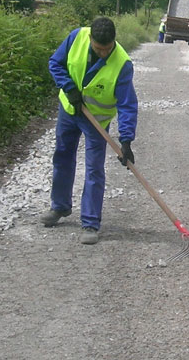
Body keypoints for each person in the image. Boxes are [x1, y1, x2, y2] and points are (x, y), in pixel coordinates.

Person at [41, 16, 138, 245]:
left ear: (114, 41)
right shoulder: (76, 37)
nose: (103, 53)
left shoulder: (122, 64)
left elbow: (127, 105)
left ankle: (91, 222)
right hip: (69, 110)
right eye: (98, 49)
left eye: (107, 49)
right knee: (62, 157)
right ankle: (60, 207)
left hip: (97, 122)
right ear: (91, 40)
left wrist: (126, 141)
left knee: (94, 168)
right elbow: (55, 63)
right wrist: (69, 88)